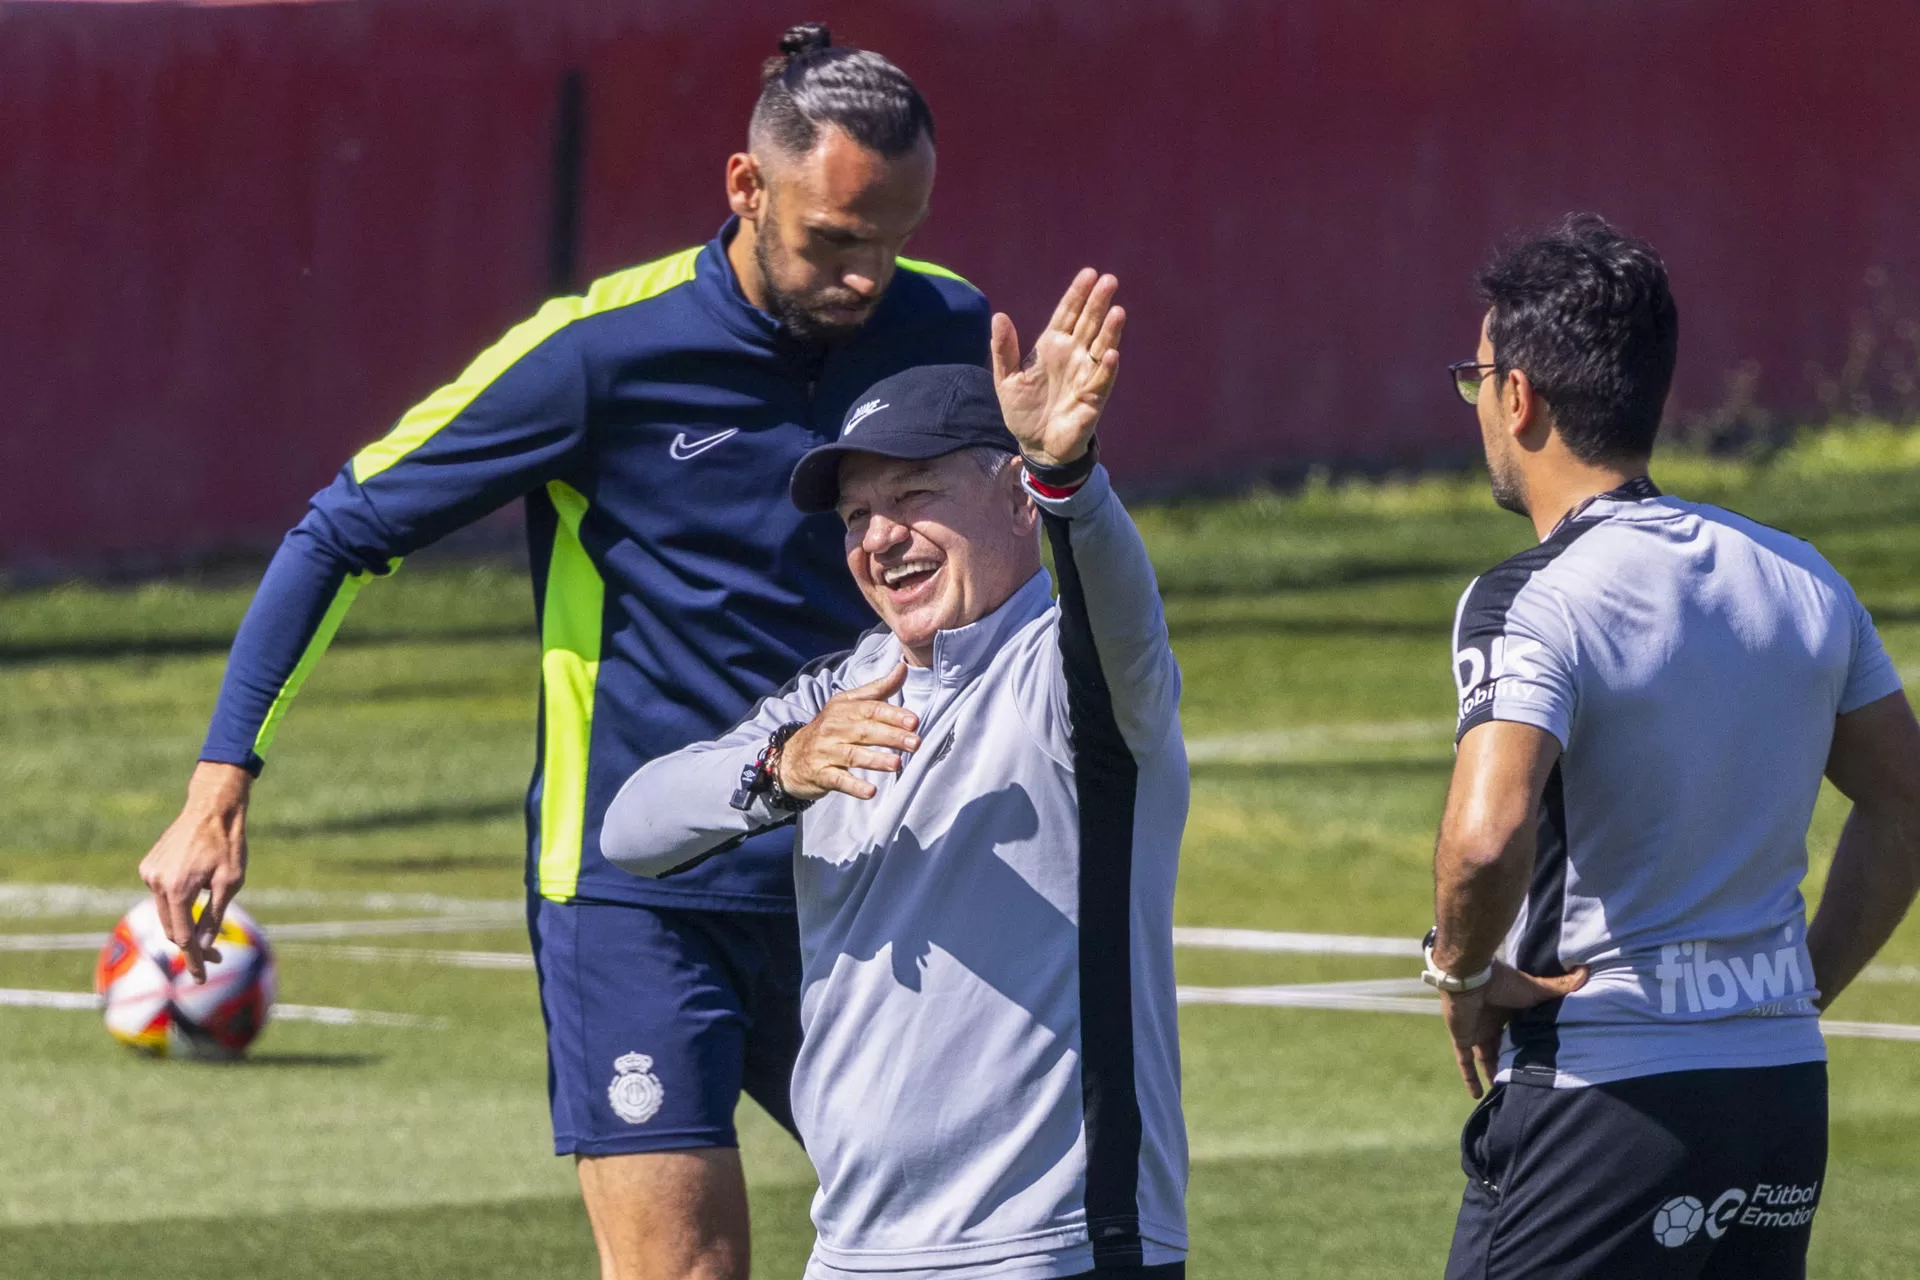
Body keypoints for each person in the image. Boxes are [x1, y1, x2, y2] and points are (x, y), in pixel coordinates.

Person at [136, 23, 989, 1280]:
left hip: (866, 871)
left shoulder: (949, 324)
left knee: (963, 1239)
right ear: (747, 189)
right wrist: (221, 782)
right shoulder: (600, 354)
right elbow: (343, 529)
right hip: (637, 892)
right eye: (835, 240)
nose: (868, 276)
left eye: (893, 237)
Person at [603, 270, 1190, 1280]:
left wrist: (1070, 479)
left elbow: (1116, 604)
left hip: (1051, 1248)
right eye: (854, 516)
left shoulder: (1073, 680)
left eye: (912, 496)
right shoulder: (840, 691)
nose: (878, 538)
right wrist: (778, 768)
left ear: (1012, 495)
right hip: (856, 1249)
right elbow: (631, 827)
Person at [1424, 213, 1920, 1279]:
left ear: (1520, 396)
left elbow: (1483, 836)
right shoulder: (1802, 577)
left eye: (1476, 380)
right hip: (1779, 1090)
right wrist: (1794, 988)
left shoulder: (1530, 597)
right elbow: (1904, 803)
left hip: (1601, 1095)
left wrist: (1460, 965)